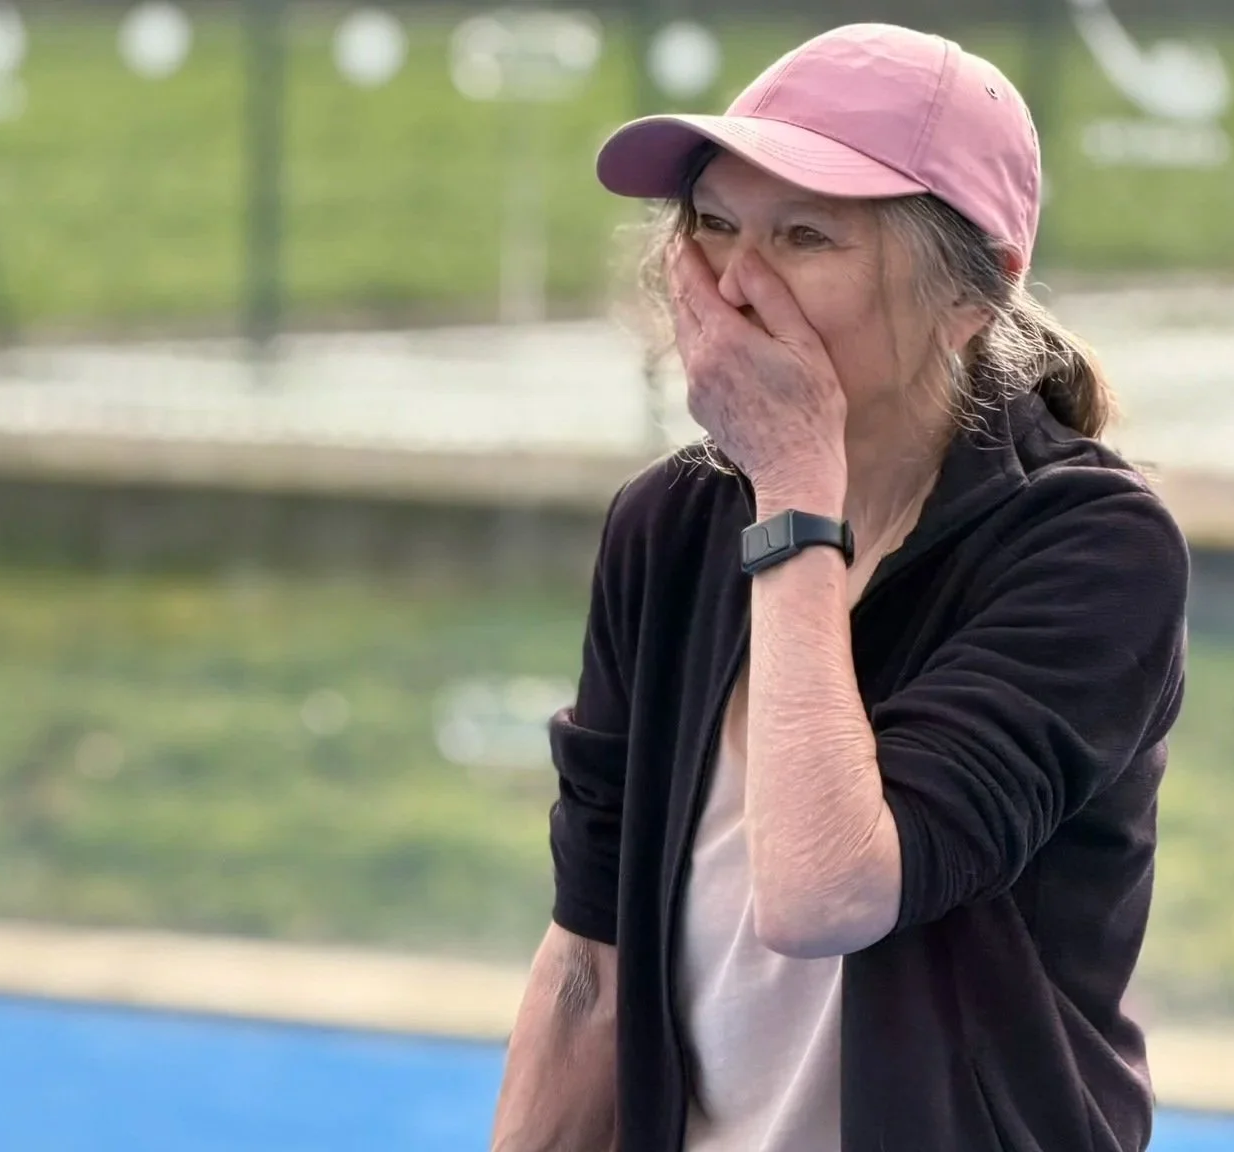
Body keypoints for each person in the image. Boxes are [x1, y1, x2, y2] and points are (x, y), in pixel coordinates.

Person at [491, 22, 1188, 1152]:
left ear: (972, 295)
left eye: (806, 236)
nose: (737, 284)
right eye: (715, 224)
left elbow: (828, 893)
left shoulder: (1090, 547)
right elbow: (590, 964)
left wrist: (793, 488)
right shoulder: (669, 525)